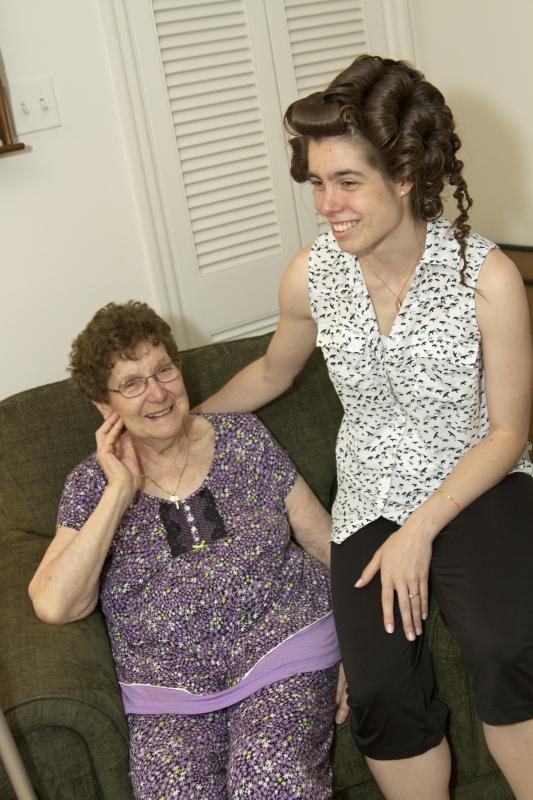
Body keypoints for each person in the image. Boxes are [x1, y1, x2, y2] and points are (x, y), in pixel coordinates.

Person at [196, 54, 533, 799]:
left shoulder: (487, 279)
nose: (327, 204)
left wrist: (419, 532)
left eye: (347, 181)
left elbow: (508, 432)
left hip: (479, 479)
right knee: (379, 692)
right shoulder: (310, 275)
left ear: (405, 174)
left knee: (506, 649)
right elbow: (272, 372)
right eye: (317, 183)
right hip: (369, 496)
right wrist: (180, 422)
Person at [28, 300, 348, 800]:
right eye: (132, 384)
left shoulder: (242, 438)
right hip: (167, 692)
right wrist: (119, 491)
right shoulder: (91, 484)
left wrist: (362, 646)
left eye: (164, 370)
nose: (158, 392)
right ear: (104, 406)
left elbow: (322, 540)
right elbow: (54, 603)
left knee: (269, 780)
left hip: (283, 647)